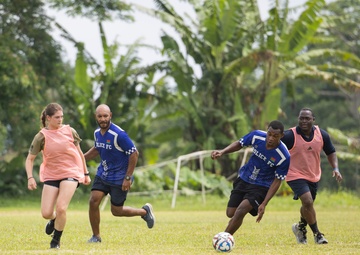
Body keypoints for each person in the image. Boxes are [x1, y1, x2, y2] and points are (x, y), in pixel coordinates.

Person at [84, 104, 155, 243]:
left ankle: (144, 212)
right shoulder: (97, 133)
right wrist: (80, 158)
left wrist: (128, 177)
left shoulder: (119, 135)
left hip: (120, 178)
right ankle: (96, 237)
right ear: (96, 117)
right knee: (93, 201)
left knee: (116, 211)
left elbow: (134, 154)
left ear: (110, 115)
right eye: (100, 116)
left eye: (105, 116)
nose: (103, 119)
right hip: (103, 174)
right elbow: (97, 148)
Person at [25, 103, 91, 249]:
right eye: (57, 117)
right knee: (46, 212)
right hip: (51, 174)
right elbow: (29, 159)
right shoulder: (41, 136)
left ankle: (55, 241)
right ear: (48, 118)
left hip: (71, 172)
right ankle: (54, 219)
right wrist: (30, 177)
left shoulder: (70, 131)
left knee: (61, 207)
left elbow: (80, 154)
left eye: (61, 117)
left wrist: (85, 173)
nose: (60, 120)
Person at [211, 120, 290, 235]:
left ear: (281, 136)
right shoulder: (257, 135)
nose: (271, 138)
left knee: (241, 211)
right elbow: (240, 143)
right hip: (244, 178)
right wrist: (222, 152)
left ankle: (224, 238)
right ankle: (243, 211)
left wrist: (264, 203)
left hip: (261, 186)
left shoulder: (284, 156)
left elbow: (277, 181)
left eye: (275, 136)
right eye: (269, 134)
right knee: (230, 213)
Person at [281, 107, 343, 245]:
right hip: (294, 174)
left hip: (313, 175)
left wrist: (336, 168)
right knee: (308, 201)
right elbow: (275, 146)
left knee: (307, 205)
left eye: (307, 118)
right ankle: (317, 234)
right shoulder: (290, 135)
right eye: (301, 118)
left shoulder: (322, 135)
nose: (303, 121)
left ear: (313, 120)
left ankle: (300, 228)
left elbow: (331, 152)